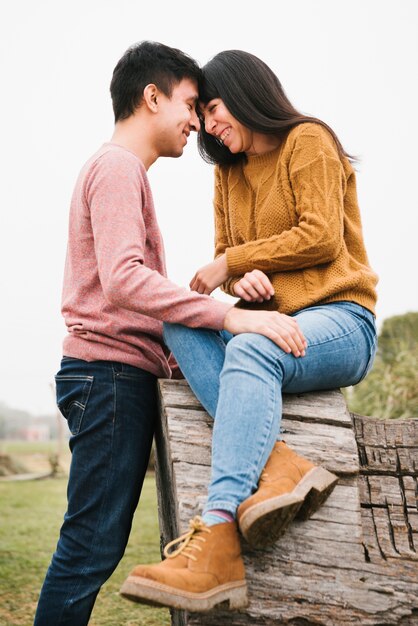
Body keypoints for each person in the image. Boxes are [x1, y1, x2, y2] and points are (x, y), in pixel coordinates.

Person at [33, 42, 298, 626]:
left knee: (94, 547)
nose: (197, 122)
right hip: (107, 376)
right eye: (189, 104)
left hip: (114, 376)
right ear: (151, 97)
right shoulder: (117, 168)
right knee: (89, 549)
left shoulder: (125, 173)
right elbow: (125, 281)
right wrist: (230, 317)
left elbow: (131, 291)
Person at [120, 50, 378, 613]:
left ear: (246, 92)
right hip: (271, 322)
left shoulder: (307, 140)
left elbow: (321, 237)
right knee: (180, 319)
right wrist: (250, 276)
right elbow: (235, 261)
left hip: (341, 318)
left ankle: (216, 540)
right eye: (203, 114)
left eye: (213, 109)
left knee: (253, 348)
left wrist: (235, 261)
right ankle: (280, 464)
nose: (208, 125)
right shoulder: (227, 176)